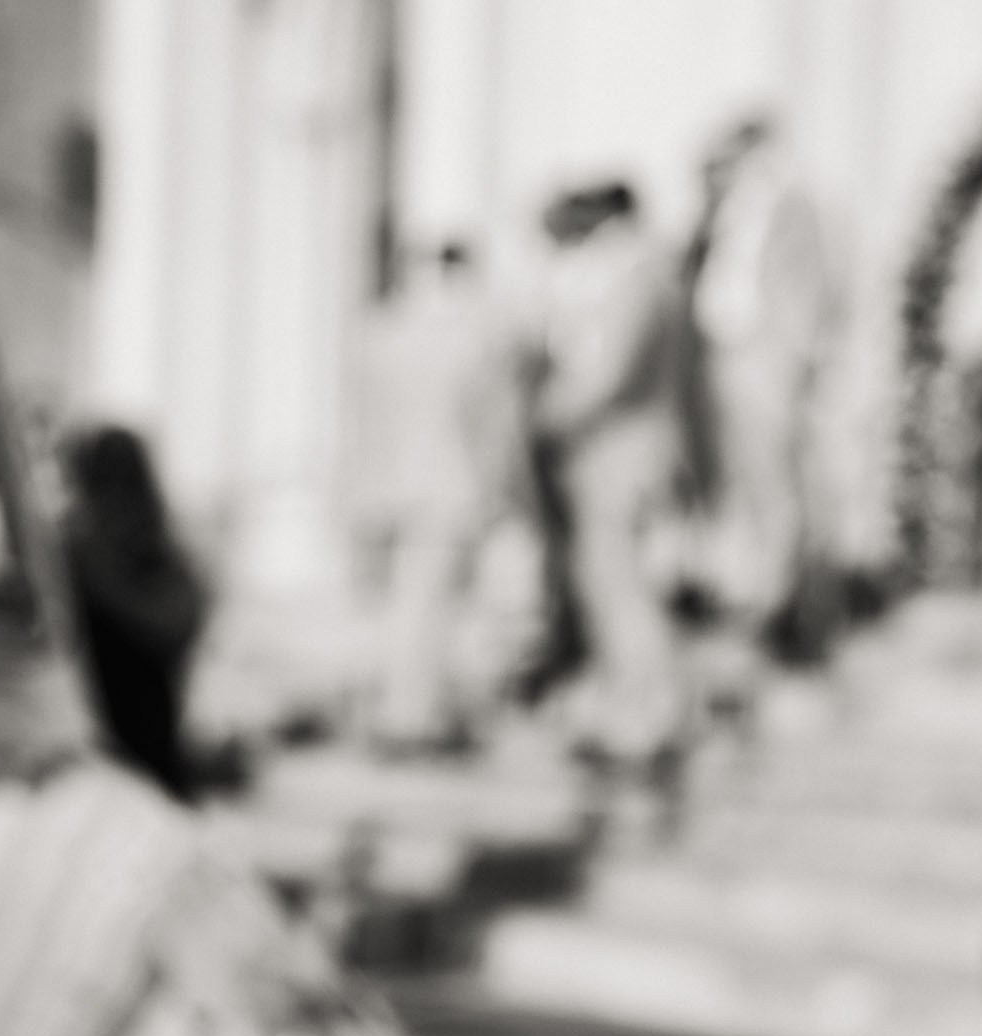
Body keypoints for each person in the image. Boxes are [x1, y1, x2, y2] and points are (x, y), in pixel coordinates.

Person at [528, 181, 689, 803]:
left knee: (621, 586)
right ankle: (628, 706)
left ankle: (651, 715)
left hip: (622, 453)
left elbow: (610, 374)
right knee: (606, 582)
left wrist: (547, 416)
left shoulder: (637, 279)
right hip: (610, 452)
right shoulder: (638, 276)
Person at [348, 240, 515, 750]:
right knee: (431, 609)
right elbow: (491, 428)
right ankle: (412, 713)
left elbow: (362, 424)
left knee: (404, 606)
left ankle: (406, 706)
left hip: (391, 487)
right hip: (450, 486)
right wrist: (497, 491)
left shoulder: (379, 334)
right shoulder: (472, 342)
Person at [689, 116, 835, 671]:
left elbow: (805, 292)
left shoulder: (792, 205)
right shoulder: (726, 210)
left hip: (764, 361)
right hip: (728, 359)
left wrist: (791, 360)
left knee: (776, 487)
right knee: (744, 484)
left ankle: (783, 608)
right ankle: (750, 593)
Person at [58, 424, 208, 798]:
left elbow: (174, 627)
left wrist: (101, 575)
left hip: (150, 770)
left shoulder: (154, 561)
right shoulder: (74, 560)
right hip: (101, 770)